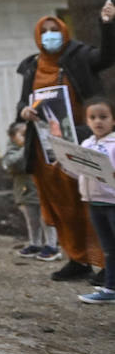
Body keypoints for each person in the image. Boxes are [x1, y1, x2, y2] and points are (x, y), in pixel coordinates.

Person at [14, 3, 115, 283]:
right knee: (63, 206)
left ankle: (108, 264)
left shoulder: (79, 56)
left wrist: (107, 25)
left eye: (54, 30)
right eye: (44, 32)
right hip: (47, 148)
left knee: (92, 201)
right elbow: (23, 101)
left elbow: (108, 56)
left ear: (64, 32)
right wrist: (25, 110)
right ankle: (78, 258)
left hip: (83, 142)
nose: (50, 36)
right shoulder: (32, 66)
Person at [77, 98, 115, 304]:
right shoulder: (86, 144)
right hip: (94, 203)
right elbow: (80, 173)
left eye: (103, 117)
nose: (98, 121)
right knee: (108, 248)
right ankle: (110, 288)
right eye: (92, 117)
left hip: (112, 203)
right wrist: (65, 164)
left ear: (113, 120)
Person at [4, 121, 57, 260]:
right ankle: (35, 243)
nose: (29, 138)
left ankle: (52, 245)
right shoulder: (13, 151)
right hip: (26, 192)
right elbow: (13, 164)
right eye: (24, 135)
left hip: (44, 191)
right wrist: (26, 148)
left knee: (47, 219)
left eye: (31, 135)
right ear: (12, 138)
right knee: (32, 220)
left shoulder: (42, 150)